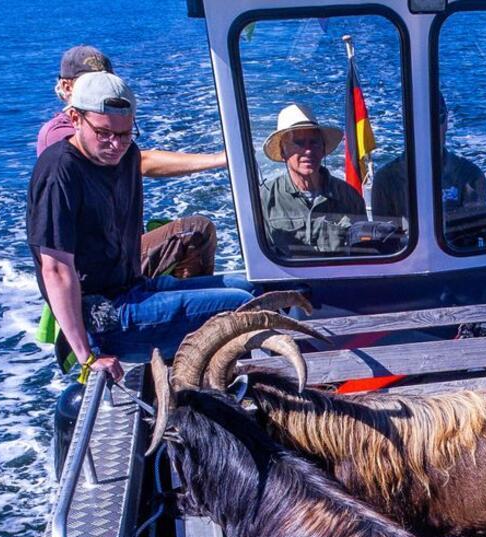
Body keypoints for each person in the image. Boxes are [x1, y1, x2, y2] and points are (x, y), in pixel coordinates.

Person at [29, 72, 251, 381]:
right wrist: (87, 356)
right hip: (105, 319)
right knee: (244, 307)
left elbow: (149, 159)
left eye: (125, 133)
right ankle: (230, 394)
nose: (116, 143)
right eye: (104, 132)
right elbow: (55, 269)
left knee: (249, 289)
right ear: (75, 118)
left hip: (133, 288)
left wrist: (220, 159)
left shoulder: (124, 156)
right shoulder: (59, 172)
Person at [36, 45, 230, 279]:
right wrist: (217, 160)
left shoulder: (112, 130)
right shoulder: (60, 136)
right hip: (97, 268)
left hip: (118, 249)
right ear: (67, 87)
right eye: (91, 82)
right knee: (195, 231)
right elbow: (142, 161)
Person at [257, 104, 366, 255]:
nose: (308, 151)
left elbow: (363, 255)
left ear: (323, 148)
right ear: (283, 151)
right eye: (299, 143)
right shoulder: (264, 199)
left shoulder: (349, 197)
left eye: (314, 142)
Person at [369, 92, 486, 221]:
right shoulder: (385, 180)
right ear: (408, 126)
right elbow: (385, 237)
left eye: (438, 118)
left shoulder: (472, 176)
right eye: (420, 120)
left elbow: (474, 231)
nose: (430, 128)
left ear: (446, 122)